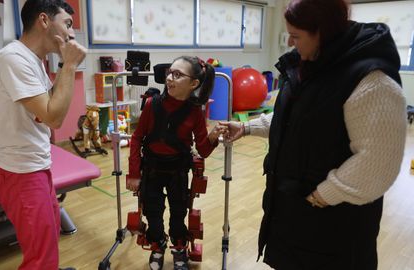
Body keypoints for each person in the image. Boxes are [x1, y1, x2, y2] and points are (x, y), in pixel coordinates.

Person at [221, 0, 407, 269]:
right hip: (294, 216)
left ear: (324, 31)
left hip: (334, 227)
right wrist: (248, 127)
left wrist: (324, 194)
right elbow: (297, 119)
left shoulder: (372, 81)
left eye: (296, 37)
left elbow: (378, 162)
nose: (291, 44)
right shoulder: (310, 64)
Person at [0, 0, 86, 269]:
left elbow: (45, 112)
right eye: (67, 24)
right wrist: (69, 66)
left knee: (50, 237)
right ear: (44, 20)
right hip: (20, 172)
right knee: (40, 259)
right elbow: (54, 118)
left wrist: (66, 67)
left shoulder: (33, 60)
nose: (72, 33)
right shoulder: (13, 59)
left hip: (35, 165)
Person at [126, 56, 224, 270]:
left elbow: (204, 150)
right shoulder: (152, 105)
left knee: (179, 213)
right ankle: (158, 245)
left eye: (177, 75)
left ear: (193, 84)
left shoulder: (195, 112)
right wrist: (134, 173)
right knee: (153, 212)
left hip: (177, 171)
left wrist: (215, 135)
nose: (169, 78)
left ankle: (179, 248)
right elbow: (136, 138)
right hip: (151, 170)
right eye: (170, 72)